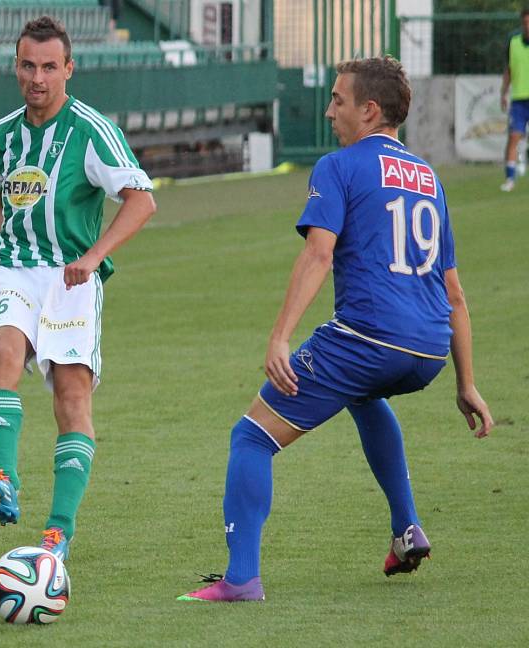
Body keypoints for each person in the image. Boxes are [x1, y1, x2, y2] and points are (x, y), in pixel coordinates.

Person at [178, 56, 494, 603]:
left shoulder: (339, 166)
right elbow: (456, 293)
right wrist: (466, 384)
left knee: (251, 437)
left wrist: (279, 336)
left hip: (367, 339)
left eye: (338, 100)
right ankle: (407, 528)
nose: (329, 112)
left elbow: (318, 256)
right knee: (364, 397)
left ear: (370, 110)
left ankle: (241, 579)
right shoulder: (429, 179)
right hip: (428, 350)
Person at [0, 16, 156, 561]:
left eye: (49, 66)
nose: (37, 77)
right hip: (17, 269)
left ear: (69, 68)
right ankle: (4, 480)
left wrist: (94, 257)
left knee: (71, 399)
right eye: (28, 65)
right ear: (15, 67)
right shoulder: (1, 135)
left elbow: (141, 199)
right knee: (2, 357)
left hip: (71, 277)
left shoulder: (90, 129)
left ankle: (58, 532)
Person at [500, 8, 529, 192]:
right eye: (525, 23)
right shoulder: (514, 42)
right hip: (519, 99)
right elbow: (509, 70)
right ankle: (510, 178)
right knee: (513, 137)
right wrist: (503, 92)